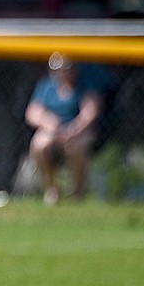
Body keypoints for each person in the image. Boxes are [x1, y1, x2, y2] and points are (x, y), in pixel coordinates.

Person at [24, 52, 105, 205]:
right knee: (39, 144)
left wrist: (73, 129)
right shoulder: (47, 85)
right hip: (54, 131)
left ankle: (78, 192)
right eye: (57, 69)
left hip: (78, 132)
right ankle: (52, 189)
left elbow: (91, 111)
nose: (61, 72)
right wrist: (50, 123)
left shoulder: (84, 85)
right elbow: (32, 112)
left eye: (65, 68)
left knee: (77, 145)